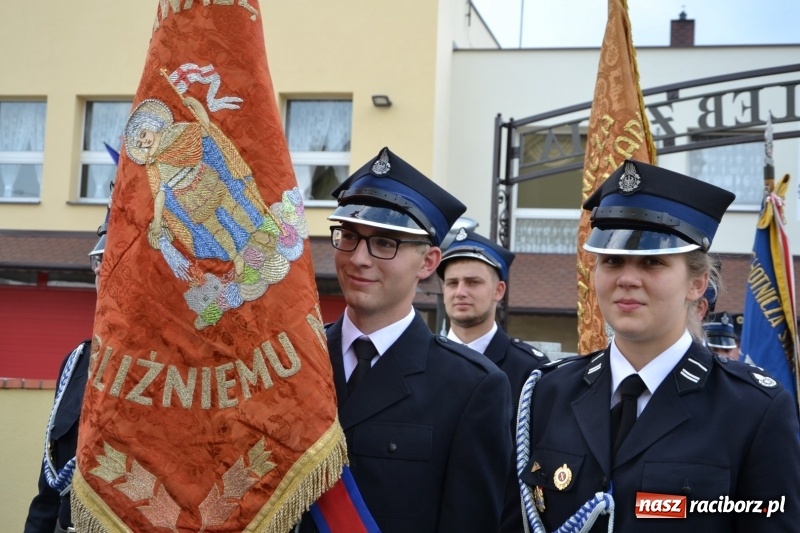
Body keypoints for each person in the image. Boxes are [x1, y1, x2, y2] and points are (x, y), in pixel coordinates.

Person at [517, 159, 800, 532]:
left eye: (652, 262)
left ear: (697, 284)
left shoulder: (752, 409)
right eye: (612, 261)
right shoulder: (549, 393)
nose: (627, 279)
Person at [299, 147, 513, 533]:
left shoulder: (471, 387)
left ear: (428, 262)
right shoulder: (296, 359)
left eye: (385, 243)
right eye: (349, 236)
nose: (358, 258)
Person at [437, 227, 550, 532]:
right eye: (452, 283)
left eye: (473, 282)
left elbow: (535, 466)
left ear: (499, 291)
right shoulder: (420, 359)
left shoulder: (531, 370)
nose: (460, 291)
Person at [24, 232, 105, 533]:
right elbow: (50, 488)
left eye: (111, 257)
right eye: (98, 259)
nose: (99, 268)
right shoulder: (77, 361)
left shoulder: (176, 366)